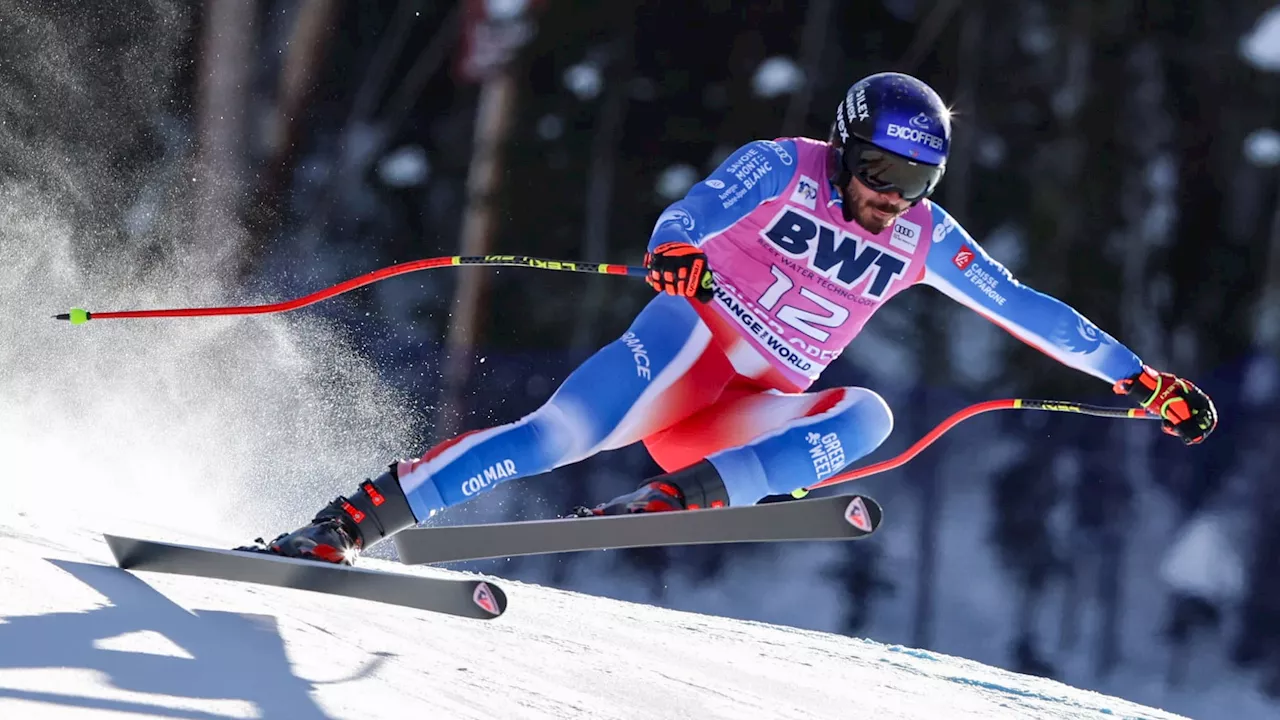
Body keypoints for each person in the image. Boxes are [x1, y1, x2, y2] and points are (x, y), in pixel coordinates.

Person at [244, 72, 1218, 566]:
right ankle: (347, 523)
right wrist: (673, 247)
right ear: (842, 149)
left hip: (747, 407)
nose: (890, 199)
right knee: (555, 437)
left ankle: (670, 504)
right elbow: (699, 210)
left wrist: (1137, 380)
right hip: (689, 340)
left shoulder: (923, 235)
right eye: (878, 174)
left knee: (869, 416)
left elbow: (1026, 307)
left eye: (915, 182)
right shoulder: (786, 163)